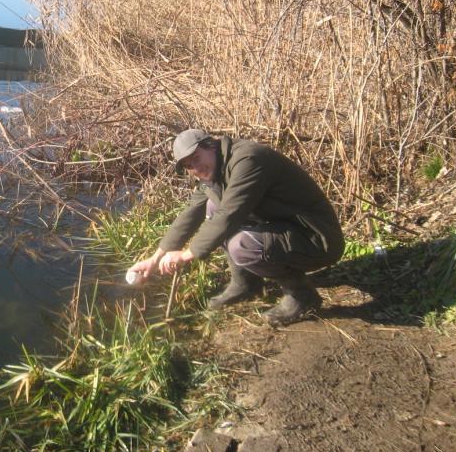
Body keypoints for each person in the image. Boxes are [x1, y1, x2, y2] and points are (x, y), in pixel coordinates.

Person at [128, 129, 345, 326]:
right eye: (188, 165)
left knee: (241, 245)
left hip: (316, 237)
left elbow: (229, 215)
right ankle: (246, 284)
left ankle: (301, 295)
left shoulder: (248, 159)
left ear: (211, 145)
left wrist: (186, 256)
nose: (195, 168)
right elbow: (191, 214)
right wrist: (154, 260)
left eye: (196, 158)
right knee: (212, 204)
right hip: (286, 228)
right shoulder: (213, 170)